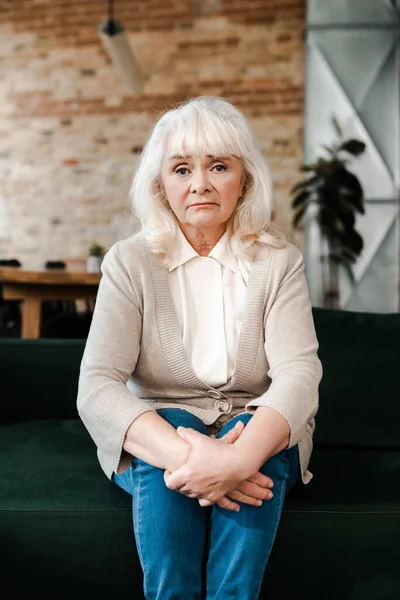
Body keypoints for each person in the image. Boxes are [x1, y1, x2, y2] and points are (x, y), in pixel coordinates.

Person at [77, 95, 323, 600]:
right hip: (159, 433)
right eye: (182, 169)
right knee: (179, 421)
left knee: (248, 427)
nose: (200, 184)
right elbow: (97, 387)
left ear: (245, 179)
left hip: (253, 432)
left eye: (218, 166)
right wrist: (194, 457)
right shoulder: (128, 263)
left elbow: (299, 375)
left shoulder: (279, 262)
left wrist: (241, 456)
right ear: (161, 185)